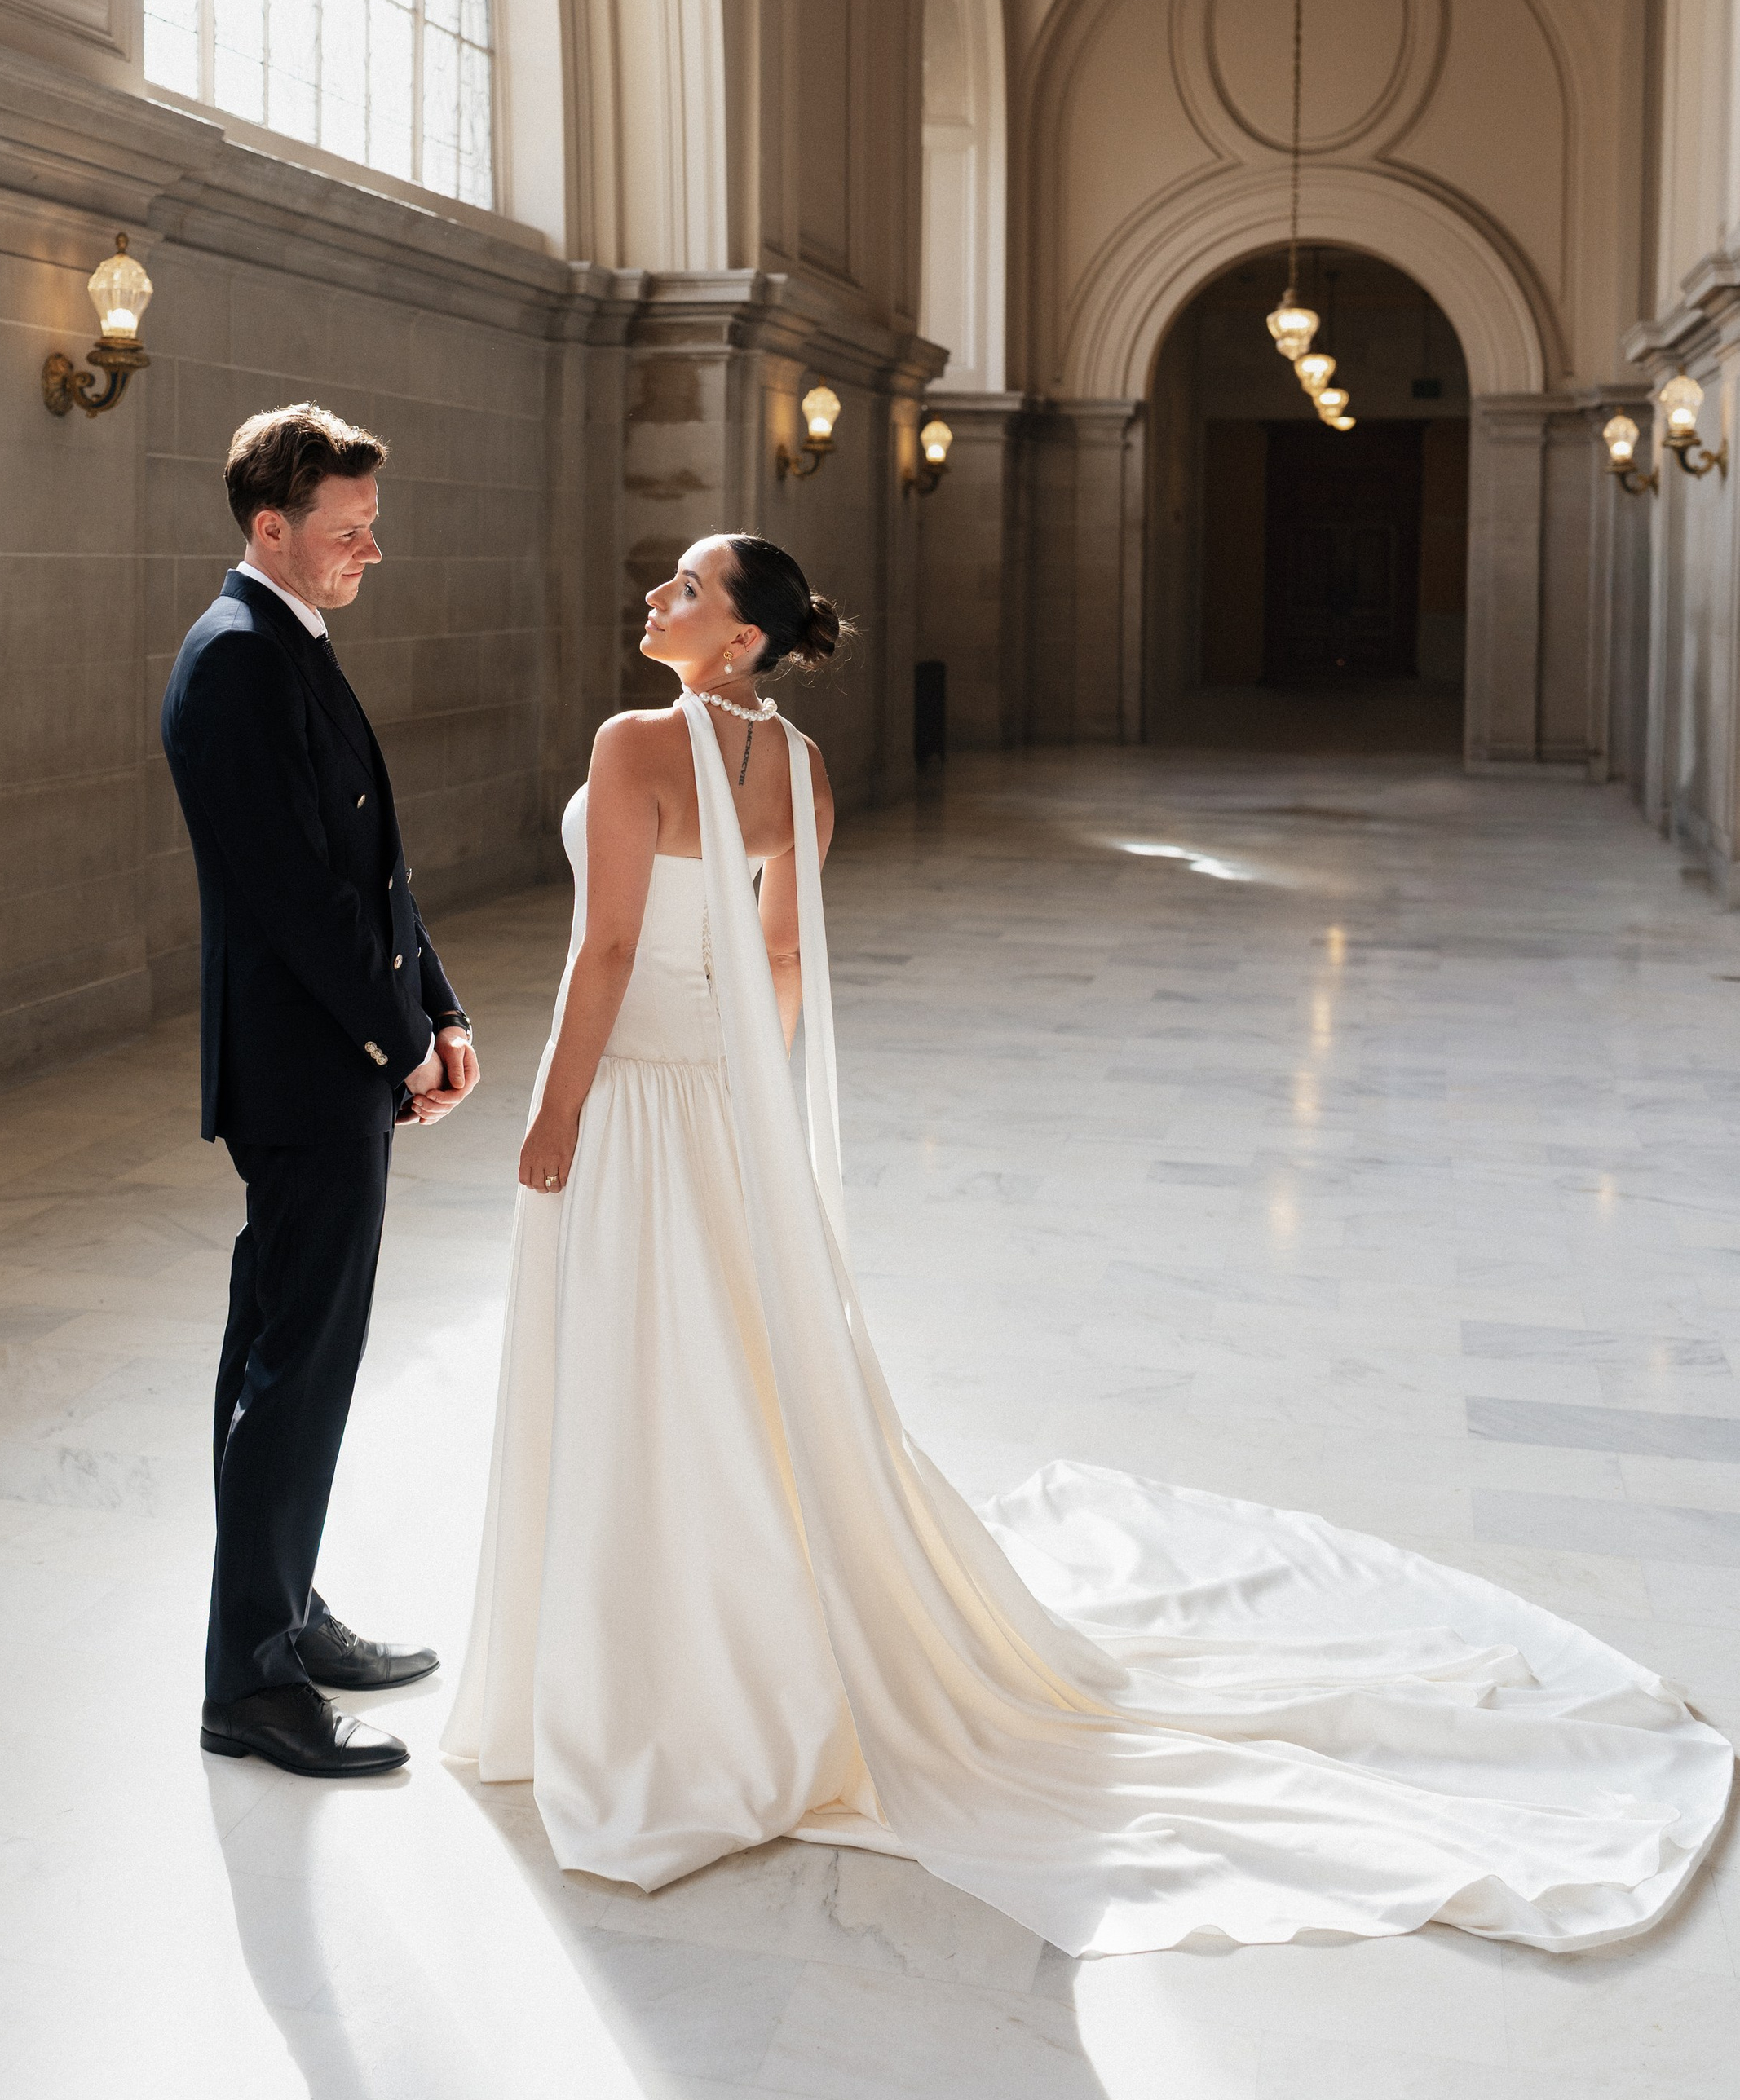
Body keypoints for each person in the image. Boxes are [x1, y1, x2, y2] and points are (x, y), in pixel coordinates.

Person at [444, 529, 1731, 1952]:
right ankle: (740, 1647)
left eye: (685, 588)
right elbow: (787, 961)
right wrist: (755, 1108)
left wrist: (557, 1112)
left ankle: (634, 1677)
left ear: (740, 639)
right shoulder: (799, 775)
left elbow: (609, 953)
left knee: (636, 1366)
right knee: (731, 1373)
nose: (656, 596)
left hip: (630, 1095)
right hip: (725, 1110)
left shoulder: (637, 744)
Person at [163, 404, 479, 1780]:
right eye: (348, 531)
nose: (371, 550)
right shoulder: (237, 661)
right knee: (296, 1368)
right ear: (269, 525)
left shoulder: (284, 645)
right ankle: (252, 1681)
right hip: (306, 1068)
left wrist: (440, 1007)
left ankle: (281, 1617)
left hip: (332, 1054)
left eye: (370, 527)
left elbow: (370, 876)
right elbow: (296, 900)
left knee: (287, 1360)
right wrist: (398, 1041)